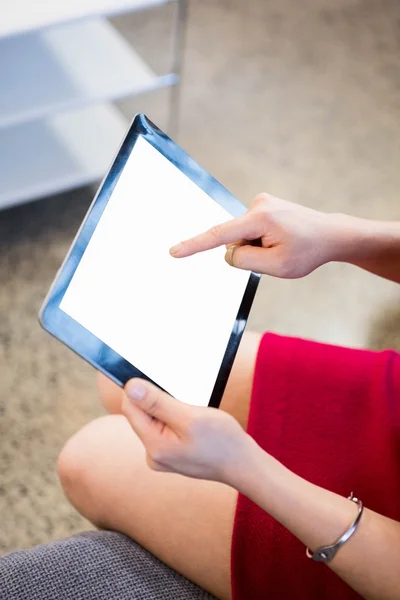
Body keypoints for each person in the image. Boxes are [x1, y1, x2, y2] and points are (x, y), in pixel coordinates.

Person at [57, 194, 400, 600]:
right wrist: (339, 235)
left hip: (375, 553)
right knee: (124, 376)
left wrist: (245, 468)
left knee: (91, 455)